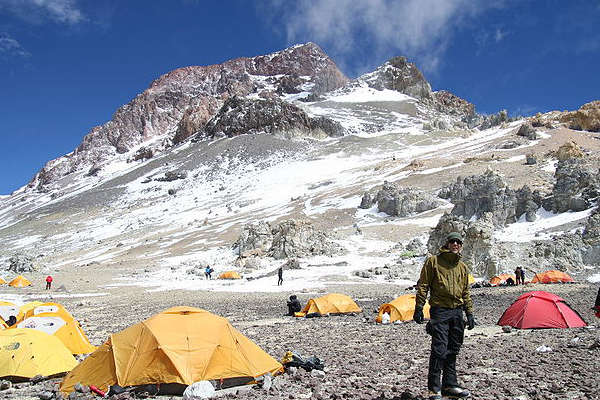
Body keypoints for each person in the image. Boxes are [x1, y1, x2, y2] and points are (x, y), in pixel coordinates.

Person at [414, 232, 474, 400]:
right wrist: (419, 306)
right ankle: (434, 388)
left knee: (453, 348)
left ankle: (450, 385)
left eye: (458, 242)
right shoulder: (433, 261)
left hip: (456, 311)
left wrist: (469, 313)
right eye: (452, 241)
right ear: (447, 244)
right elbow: (424, 284)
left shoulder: (462, 266)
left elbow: (466, 292)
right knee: (439, 349)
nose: (455, 244)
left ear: (461, 246)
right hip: (440, 311)